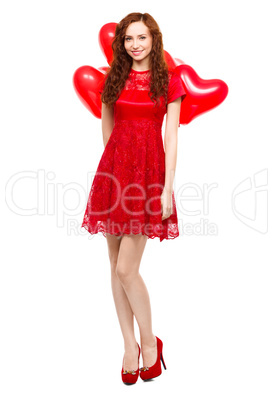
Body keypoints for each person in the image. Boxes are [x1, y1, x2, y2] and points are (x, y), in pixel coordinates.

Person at [81, 12, 187, 384]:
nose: (135, 44)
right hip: (114, 174)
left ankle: (150, 341)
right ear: (122, 43)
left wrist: (166, 186)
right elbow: (107, 125)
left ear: (153, 40)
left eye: (141, 37)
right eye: (128, 39)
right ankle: (129, 346)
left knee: (127, 268)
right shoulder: (115, 77)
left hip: (148, 177)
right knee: (114, 266)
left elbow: (171, 136)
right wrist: (112, 170)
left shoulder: (170, 81)